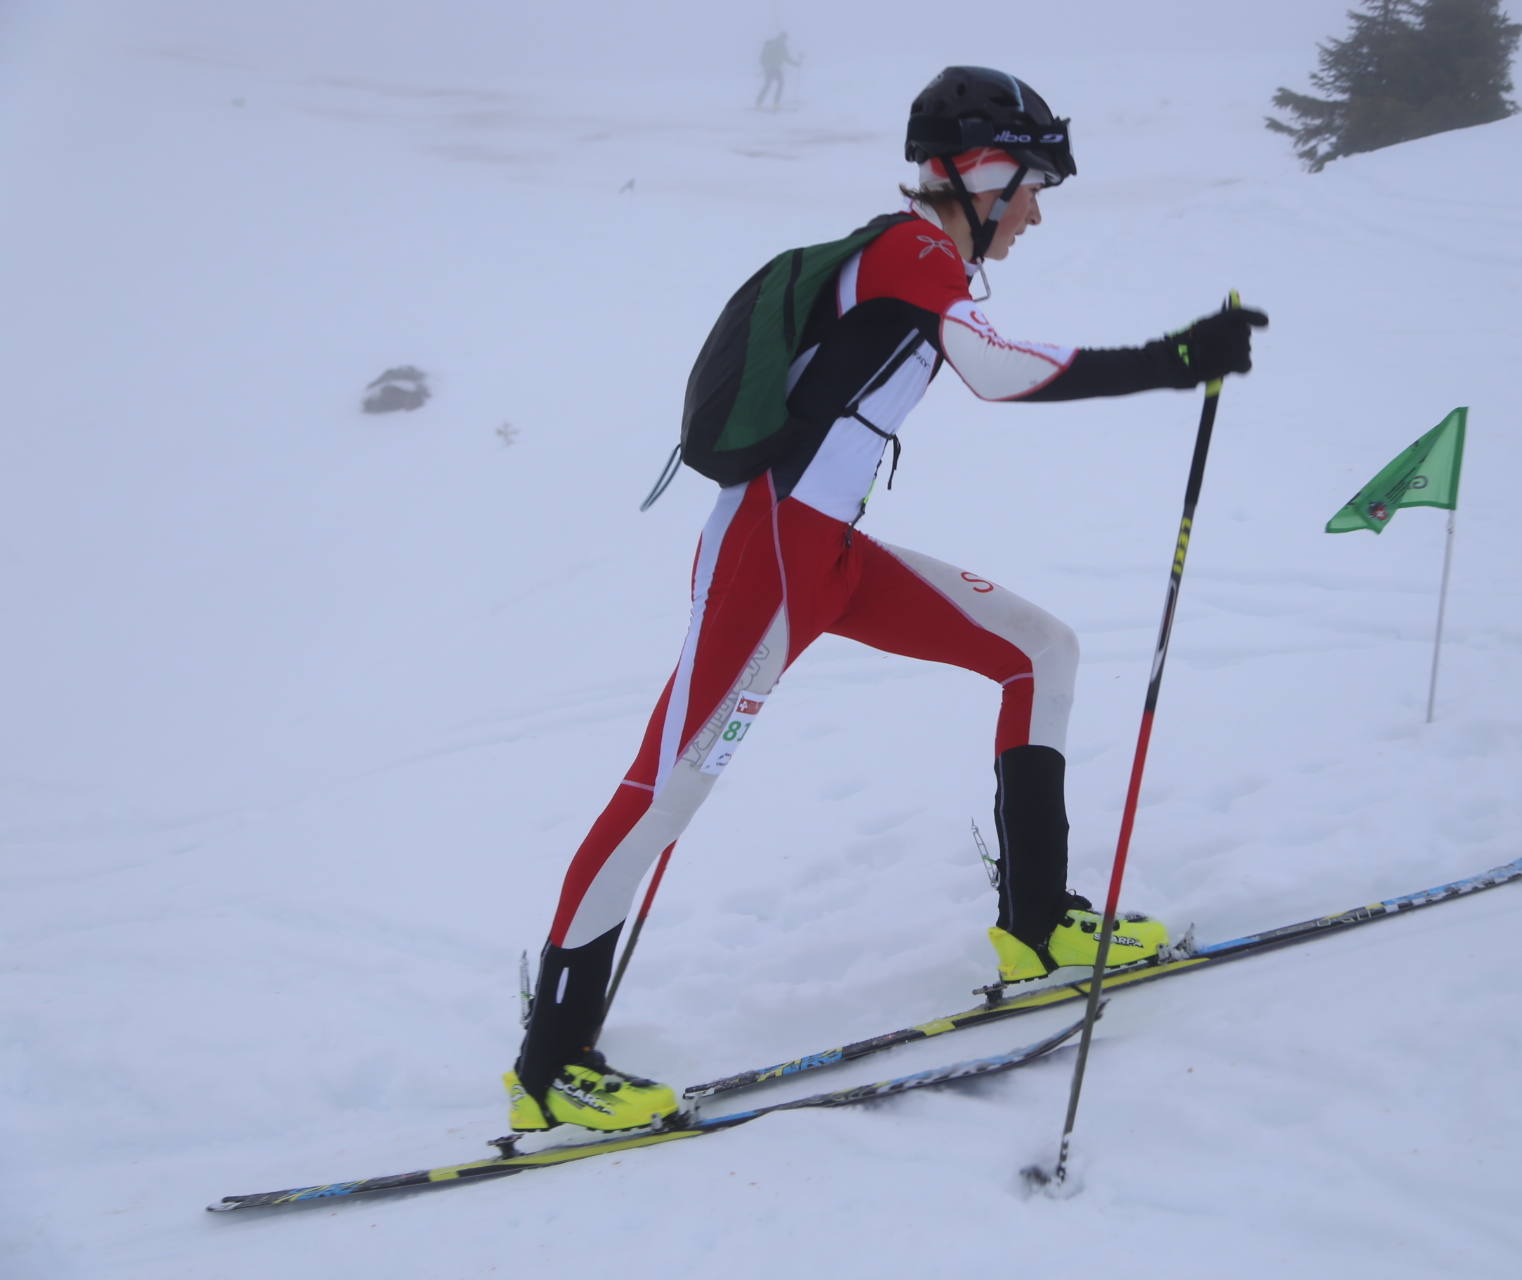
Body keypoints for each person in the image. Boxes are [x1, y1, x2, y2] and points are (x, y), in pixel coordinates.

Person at [503, 66, 1268, 1134]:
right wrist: (1174, 360)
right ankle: (550, 1067)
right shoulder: (910, 251)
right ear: (983, 173)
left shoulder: (920, 263)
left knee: (1037, 649)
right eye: (1032, 187)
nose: (1036, 213)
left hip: (827, 556)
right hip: (771, 560)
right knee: (665, 793)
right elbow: (995, 371)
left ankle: (1039, 925)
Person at [755, 33, 800, 111]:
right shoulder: (773, 44)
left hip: (777, 68)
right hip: (769, 68)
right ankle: (758, 104)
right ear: (780, 37)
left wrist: (795, 63)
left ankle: (776, 103)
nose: (785, 40)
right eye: (783, 38)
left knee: (781, 84)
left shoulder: (784, 47)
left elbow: (786, 58)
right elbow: (766, 54)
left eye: (786, 38)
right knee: (767, 85)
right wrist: (767, 64)